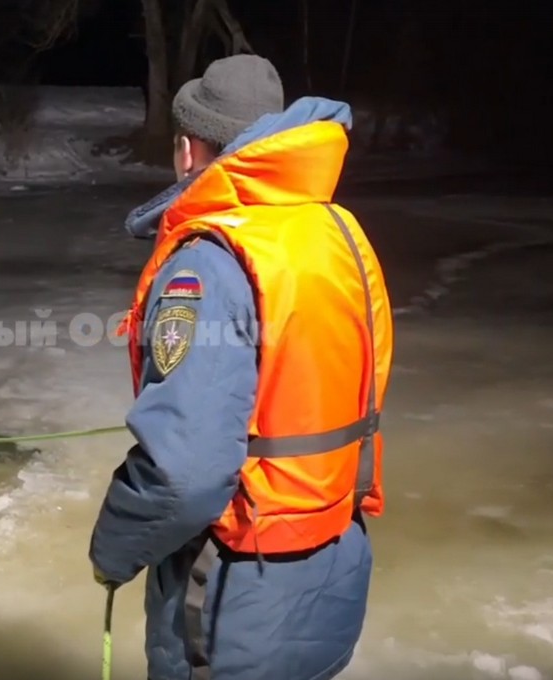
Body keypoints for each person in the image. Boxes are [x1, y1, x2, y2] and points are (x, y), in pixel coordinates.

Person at [88, 54, 394, 680]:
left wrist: (114, 551)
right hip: (332, 561)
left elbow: (186, 473)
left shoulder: (209, 261)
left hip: (229, 592)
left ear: (187, 147)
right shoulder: (336, 230)